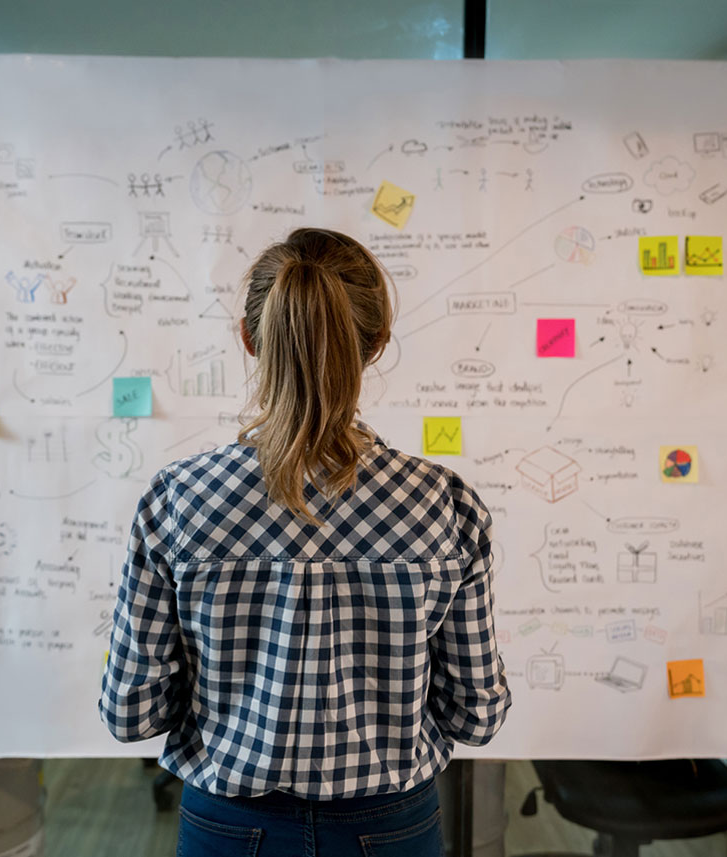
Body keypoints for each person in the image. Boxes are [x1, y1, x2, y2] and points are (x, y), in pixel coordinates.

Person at [100, 227, 510, 856]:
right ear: (375, 346)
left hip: (229, 827)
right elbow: (475, 716)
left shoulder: (177, 499)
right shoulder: (443, 503)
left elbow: (131, 712)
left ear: (248, 338)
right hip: (391, 827)